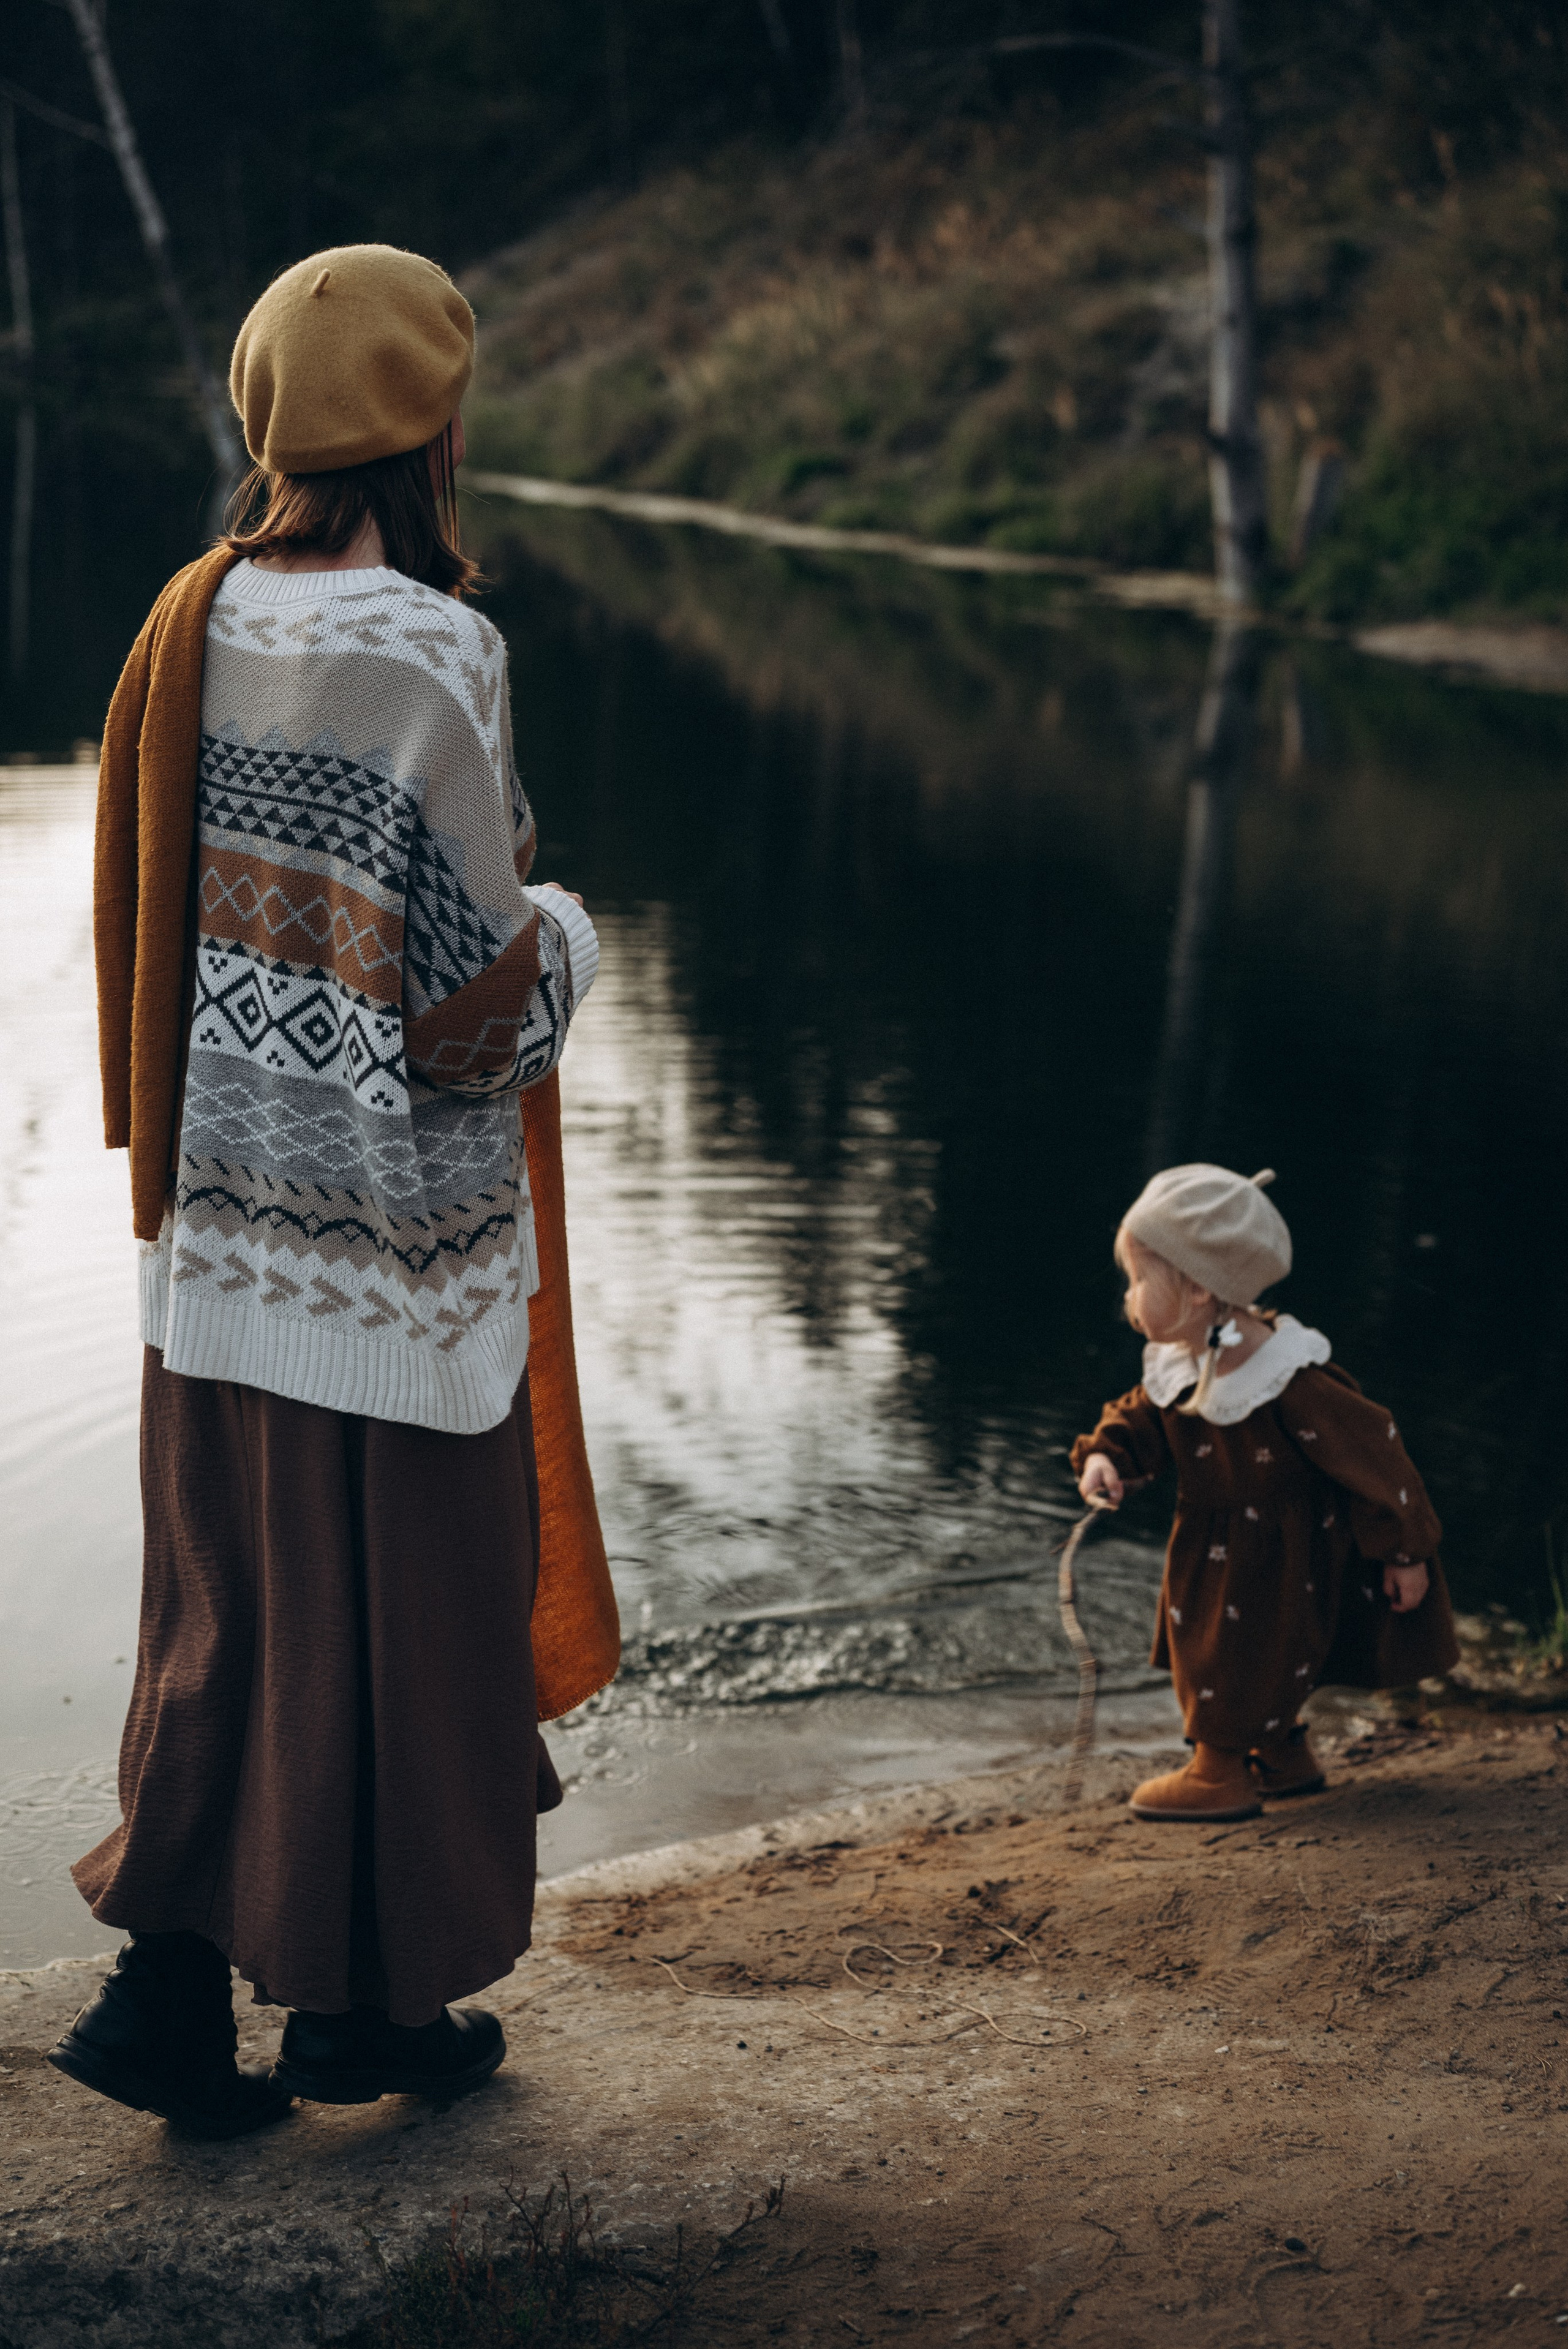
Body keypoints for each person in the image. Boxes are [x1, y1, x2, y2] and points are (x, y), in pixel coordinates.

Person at [48, 245, 620, 2138]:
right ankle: (360, 2022)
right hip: (392, 1257)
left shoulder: (183, 618)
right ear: (433, 428)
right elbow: (471, 1018)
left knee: (229, 1621)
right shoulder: (438, 653)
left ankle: (165, 1996)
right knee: (406, 1628)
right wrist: (572, 937)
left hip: (218, 1239)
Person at [1070, 1163, 1457, 1824]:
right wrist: (1108, 1455)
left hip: (1279, 1558)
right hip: (1211, 1544)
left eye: (1138, 1282)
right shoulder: (1183, 1355)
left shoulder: (1289, 1378)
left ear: (1196, 1289)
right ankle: (1281, 1753)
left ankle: (1217, 1771)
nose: (1129, 1299)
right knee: (1235, 1649)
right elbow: (1144, 1415)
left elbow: (1373, 1452)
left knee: (1225, 1655)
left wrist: (1402, 1549)